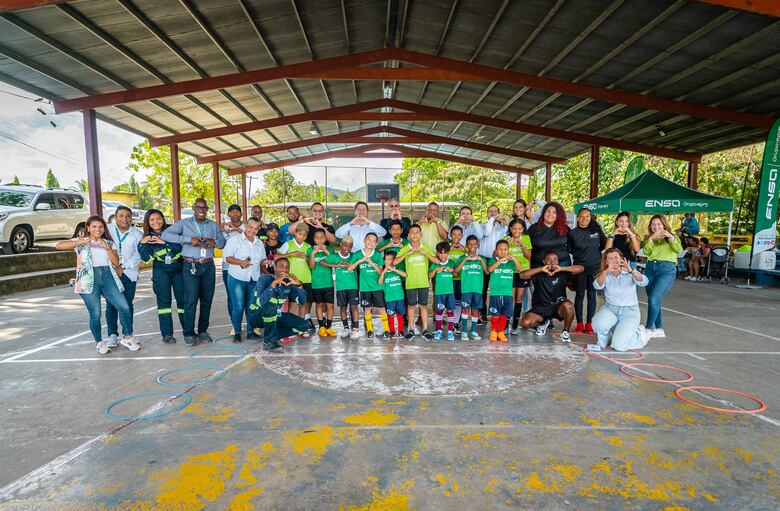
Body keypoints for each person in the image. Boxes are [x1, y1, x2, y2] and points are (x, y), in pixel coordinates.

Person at [56, 216, 136, 354]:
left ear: (104, 229)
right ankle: (99, 342)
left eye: (100, 226)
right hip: (88, 279)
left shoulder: (108, 243)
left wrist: (107, 248)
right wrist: (80, 241)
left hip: (108, 277)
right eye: (94, 226)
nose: (97, 229)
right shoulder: (81, 242)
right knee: (96, 313)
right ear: (88, 227)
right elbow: (59, 245)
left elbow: (116, 262)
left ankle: (127, 337)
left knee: (124, 306)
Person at [162, 197, 225, 346]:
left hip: (208, 266)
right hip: (190, 265)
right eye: (198, 207)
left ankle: (202, 331)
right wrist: (188, 240)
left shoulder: (213, 225)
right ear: (193, 208)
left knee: (207, 301)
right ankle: (188, 333)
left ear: (207, 210)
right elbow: (165, 235)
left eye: (204, 207)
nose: (201, 210)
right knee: (190, 301)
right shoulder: (184, 223)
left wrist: (215, 242)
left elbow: (222, 242)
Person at [138, 209, 185, 344]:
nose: (156, 222)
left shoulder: (173, 231)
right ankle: (167, 334)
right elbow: (146, 258)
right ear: (147, 222)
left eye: (158, 218)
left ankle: (188, 331)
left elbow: (182, 248)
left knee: (183, 301)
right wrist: (141, 244)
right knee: (164, 303)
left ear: (163, 219)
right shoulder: (148, 237)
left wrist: (164, 242)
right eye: (152, 220)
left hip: (178, 268)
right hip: (160, 270)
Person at [592, 248, 652, 351]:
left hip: (630, 312)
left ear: (621, 259)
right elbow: (597, 285)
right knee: (597, 324)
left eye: (616, 257)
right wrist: (606, 272)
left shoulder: (629, 272)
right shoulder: (605, 274)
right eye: (610, 258)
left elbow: (644, 281)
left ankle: (640, 334)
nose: (614, 260)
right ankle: (607, 339)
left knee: (619, 346)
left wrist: (631, 271)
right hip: (611, 309)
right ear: (606, 262)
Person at [519, 252, 584, 342]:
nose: (552, 262)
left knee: (569, 305)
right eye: (549, 259)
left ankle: (565, 332)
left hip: (558, 306)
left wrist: (562, 268)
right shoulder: (538, 273)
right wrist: (541, 269)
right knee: (525, 323)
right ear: (544, 262)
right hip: (541, 307)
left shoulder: (562, 273)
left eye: (555, 260)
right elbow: (522, 275)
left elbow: (581, 268)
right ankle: (542, 323)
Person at [251, 258, 309, 353]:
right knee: (270, 308)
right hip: (257, 316)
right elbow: (261, 302)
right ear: (274, 268)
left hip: (274, 315)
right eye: (281, 266)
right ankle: (270, 341)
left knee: (303, 325)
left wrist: (299, 286)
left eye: (287, 267)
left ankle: (270, 337)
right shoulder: (265, 279)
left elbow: (302, 301)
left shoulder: (287, 283)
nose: (284, 269)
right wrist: (274, 284)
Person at [222, 218, 266, 343]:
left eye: (256, 228)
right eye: (251, 227)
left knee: (251, 306)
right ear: (245, 225)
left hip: (254, 278)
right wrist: (240, 262)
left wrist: (265, 261)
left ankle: (250, 332)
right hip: (237, 278)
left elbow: (262, 260)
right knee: (238, 306)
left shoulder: (259, 243)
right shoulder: (234, 240)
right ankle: (237, 332)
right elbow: (227, 258)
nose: (253, 230)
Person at [106, 205, 143, 349]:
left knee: (127, 304)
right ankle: (112, 335)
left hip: (129, 273)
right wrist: (114, 267)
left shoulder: (137, 234)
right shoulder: (107, 230)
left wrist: (123, 267)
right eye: (121, 216)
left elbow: (138, 255)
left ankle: (128, 334)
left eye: (128, 216)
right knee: (111, 304)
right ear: (115, 217)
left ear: (131, 219)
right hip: (110, 273)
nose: (125, 219)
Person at [567, 207, 607, 334]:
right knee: (579, 295)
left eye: (587, 216)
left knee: (592, 295)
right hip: (580, 269)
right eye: (582, 216)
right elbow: (570, 250)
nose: (584, 219)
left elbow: (604, 245)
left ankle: (589, 324)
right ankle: (579, 324)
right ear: (578, 218)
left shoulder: (596, 231)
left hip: (595, 268)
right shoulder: (573, 233)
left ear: (591, 218)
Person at [643, 214, 683, 339]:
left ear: (664, 225)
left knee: (653, 297)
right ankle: (659, 329)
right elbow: (646, 252)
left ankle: (648, 329)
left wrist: (670, 237)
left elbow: (678, 250)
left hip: (666, 269)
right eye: (653, 224)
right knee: (654, 299)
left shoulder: (673, 237)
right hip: (650, 268)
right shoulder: (648, 238)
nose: (656, 227)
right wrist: (651, 239)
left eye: (659, 224)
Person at [395, 224, 438, 340]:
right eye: (412, 232)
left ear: (421, 235)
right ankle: (411, 329)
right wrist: (407, 254)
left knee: (423, 306)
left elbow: (436, 261)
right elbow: (394, 262)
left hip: (423, 282)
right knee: (411, 306)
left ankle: (425, 330)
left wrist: (425, 253)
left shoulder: (425, 247)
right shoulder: (405, 248)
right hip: (411, 283)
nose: (415, 234)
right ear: (409, 235)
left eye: (417, 232)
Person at [348, 232, 389, 339]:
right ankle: (370, 330)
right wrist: (360, 261)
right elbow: (349, 268)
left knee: (382, 308)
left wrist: (373, 264)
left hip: (377, 287)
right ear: (364, 240)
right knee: (367, 309)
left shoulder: (377, 255)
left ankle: (387, 330)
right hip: (365, 288)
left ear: (376, 243)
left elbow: (381, 273)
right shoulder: (358, 254)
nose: (370, 242)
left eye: (373, 241)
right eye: (369, 239)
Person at [276, 222, 313, 336]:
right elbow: (277, 257)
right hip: (291, 279)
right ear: (295, 233)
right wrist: (292, 254)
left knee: (303, 303)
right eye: (300, 234)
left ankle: (301, 328)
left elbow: (312, 265)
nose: (302, 237)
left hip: (306, 279)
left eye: (304, 235)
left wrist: (307, 258)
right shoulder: (288, 244)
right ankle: (291, 328)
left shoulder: (308, 247)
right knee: (293, 304)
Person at [322, 235, 360, 340]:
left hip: (353, 286)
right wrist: (335, 266)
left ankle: (355, 329)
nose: (348, 248)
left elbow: (360, 264)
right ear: (341, 245)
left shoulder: (354, 256)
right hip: (341, 287)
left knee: (354, 307)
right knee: (343, 307)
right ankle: (346, 328)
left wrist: (351, 265)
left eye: (350, 246)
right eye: (345, 245)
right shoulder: (335, 256)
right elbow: (322, 262)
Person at [486, 239, 522, 342]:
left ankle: (500, 332)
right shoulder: (493, 260)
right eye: (500, 249)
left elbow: (520, 270)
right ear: (496, 251)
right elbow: (489, 270)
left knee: (504, 314)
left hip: (507, 293)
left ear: (508, 250)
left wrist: (514, 259)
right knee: (495, 314)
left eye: (505, 249)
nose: (503, 251)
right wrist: (501, 260)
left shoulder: (511, 262)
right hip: (495, 293)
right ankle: (493, 331)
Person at [454, 235, 488, 340]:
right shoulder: (462, 258)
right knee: (465, 309)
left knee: (475, 310)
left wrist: (481, 260)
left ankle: (473, 331)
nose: (472, 246)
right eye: (470, 244)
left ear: (478, 245)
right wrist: (465, 260)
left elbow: (487, 271)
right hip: (466, 289)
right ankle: (464, 331)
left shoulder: (481, 258)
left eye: (474, 244)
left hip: (477, 289)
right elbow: (455, 272)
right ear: (466, 245)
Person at [478, 204, 508, 322]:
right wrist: (491, 219)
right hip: (484, 259)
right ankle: (482, 313)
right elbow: (486, 233)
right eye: (490, 211)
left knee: (497, 287)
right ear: (487, 214)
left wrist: (504, 221)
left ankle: (499, 313)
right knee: (482, 288)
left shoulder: (502, 227)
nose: (493, 213)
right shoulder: (483, 226)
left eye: (495, 211)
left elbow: (506, 235)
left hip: (497, 260)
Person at [504, 218, 532, 335]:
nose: (517, 231)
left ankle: (515, 325)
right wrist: (507, 246)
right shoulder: (505, 239)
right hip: (510, 271)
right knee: (510, 298)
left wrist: (522, 245)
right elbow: (498, 254)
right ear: (510, 229)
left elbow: (529, 256)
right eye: (514, 228)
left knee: (519, 298)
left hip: (523, 272)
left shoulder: (526, 238)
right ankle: (506, 324)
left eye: (519, 229)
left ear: (523, 229)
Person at [308, 228, 337, 337]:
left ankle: (329, 326)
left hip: (328, 283)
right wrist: (313, 254)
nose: (319, 240)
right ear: (314, 239)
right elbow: (312, 266)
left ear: (325, 239)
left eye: (322, 237)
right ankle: (321, 327)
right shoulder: (310, 250)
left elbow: (334, 263)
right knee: (319, 305)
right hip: (316, 284)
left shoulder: (330, 249)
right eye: (317, 238)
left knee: (330, 306)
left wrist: (327, 252)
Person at [429, 241, 459, 341]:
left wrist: (452, 270)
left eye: (445, 253)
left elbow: (456, 274)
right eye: (441, 253)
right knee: (439, 311)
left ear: (448, 253)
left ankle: (450, 331)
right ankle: (438, 330)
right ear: (437, 253)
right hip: (439, 293)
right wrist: (436, 270)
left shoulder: (451, 263)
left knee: (450, 311)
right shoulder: (435, 264)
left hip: (450, 292)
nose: (443, 255)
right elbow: (430, 276)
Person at [220, 204, 244, 324]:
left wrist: (236, 229)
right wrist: (219, 230)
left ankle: (251, 324)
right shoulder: (224, 228)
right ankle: (235, 324)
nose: (235, 214)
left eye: (237, 211)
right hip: (228, 267)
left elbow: (250, 236)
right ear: (228, 214)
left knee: (247, 296)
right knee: (231, 296)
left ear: (241, 214)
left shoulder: (246, 226)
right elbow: (219, 244)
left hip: (244, 266)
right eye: (232, 212)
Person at [527, 201, 570, 268]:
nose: (550, 214)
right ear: (543, 213)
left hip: (562, 265)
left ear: (558, 215)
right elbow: (526, 248)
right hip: (538, 266)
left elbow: (572, 246)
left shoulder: (565, 228)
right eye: (548, 211)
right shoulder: (533, 229)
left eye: (554, 212)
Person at [379, 251, 407, 338]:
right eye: (385, 259)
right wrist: (384, 272)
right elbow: (379, 282)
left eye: (389, 259)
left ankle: (401, 331)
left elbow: (405, 275)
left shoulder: (397, 269)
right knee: (390, 315)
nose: (386, 261)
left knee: (400, 315)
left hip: (399, 297)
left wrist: (394, 269)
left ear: (394, 260)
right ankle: (392, 331)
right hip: (389, 298)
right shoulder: (383, 271)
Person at [448, 226, 467, 333]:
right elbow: (438, 257)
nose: (456, 236)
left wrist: (464, 250)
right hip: (448, 279)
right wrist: (450, 248)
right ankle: (448, 323)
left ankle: (456, 324)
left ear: (462, 236)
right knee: (449, 301)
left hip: (460, 279)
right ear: (450, 235)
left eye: (459, 234)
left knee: (459, 301)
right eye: (454, 234)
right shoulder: (446, 247)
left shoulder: (464, 249)